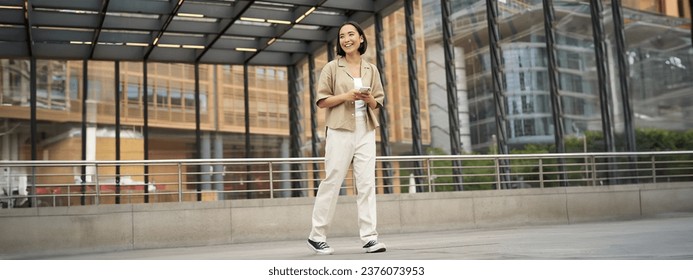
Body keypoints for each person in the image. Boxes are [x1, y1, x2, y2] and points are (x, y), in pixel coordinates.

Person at [306, 21, 386, 255]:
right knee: (332, 181)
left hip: (366, 130)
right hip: (340, 129)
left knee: (366, 184)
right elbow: (322, 101)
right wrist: (347, 95)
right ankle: (316, 235)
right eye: (342, 36)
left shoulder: (371, 69)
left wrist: (368, 98)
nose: (346, 39)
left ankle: (370, 237)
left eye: (351, 34)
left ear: (361, 38)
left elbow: (378, 102)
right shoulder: (332, 68)